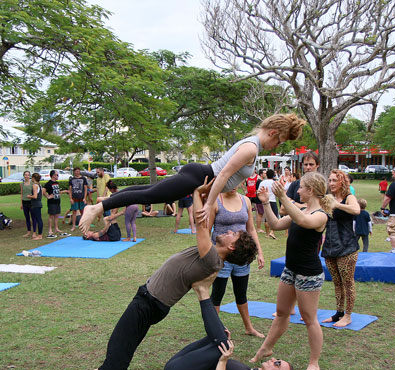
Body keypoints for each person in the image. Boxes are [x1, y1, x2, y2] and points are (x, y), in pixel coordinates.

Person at [71, 179, 258, 370]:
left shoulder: (211, 258)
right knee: (126, 338)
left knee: (121, 340)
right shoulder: (212, 254)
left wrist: (197, 191)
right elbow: (204, 222)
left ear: (231, 247)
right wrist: (203, 195)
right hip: (151, 299)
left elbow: (201, 226)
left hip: (151, 301)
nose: (228, 231)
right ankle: (109, 366)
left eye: (233, 234)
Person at [78, 113, 306, 233]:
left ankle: (103, 203)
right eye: (280, 140)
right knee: (150, 196)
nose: (277, 146)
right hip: (199, 177)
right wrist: (209, 205)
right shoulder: (251, 147)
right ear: (273, 132)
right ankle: (97, 208)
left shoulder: (253, 145)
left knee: (149, 190)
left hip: (198, 176)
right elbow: (224, 175)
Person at [163, 277, 294, 370]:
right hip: (178, 368)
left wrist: (222, 361)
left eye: (277, 363)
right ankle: (202, 291)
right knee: (223, 339)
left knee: (223, 343)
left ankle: (203, 292)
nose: (273, 359)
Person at [251, 172, 330, 370]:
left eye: (301, 187)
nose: (298, 190)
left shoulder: (320, 215)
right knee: (282, 311)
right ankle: (266, 348)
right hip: (291, 269)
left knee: (309, 318)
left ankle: (314, 363)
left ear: (311, 190)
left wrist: (283, 198)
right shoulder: (301, 208)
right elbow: (276, 224)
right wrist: (267, 203)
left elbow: (304, 221)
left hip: (308, 274)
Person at [208, 186, 265, 338]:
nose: (233, 185)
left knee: (241, 293)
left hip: (241, 256)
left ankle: (249, 327)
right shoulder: (216, 201)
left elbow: (251, 229)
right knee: (217, 294)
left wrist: (259, 251)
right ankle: (214, 331)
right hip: (222, 256)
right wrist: (208, 255)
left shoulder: (245, 200)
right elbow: (207, 231)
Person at [321, 170, 361, 328]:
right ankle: (338, 313)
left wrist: (337, 205)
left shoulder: (348, 197)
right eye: (329, 180)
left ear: (342, 182)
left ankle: (348, 315)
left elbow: (356, 210)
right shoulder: (327, 199)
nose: (331, 183)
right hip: (330, 246)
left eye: (334, 181)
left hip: (347, 247)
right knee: (336, 283)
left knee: (348, 282)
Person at [43, 170, 66, 238]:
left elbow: (57, 191)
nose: (58, 176)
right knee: (51, 216)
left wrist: (62, 192)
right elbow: (43, 191)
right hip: (51, 202)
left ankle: (56, 228)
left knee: (57, 215)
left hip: (57, 201)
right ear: (53, 175)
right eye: (57, 175)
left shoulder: (56, 183)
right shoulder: (49, 183)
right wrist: (48, 196)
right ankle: (50, 229)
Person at [65, 167, 88, 233]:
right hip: (74, 197)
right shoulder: (72, 179)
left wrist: (85, 198)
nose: (77, 172)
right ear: (74, 172)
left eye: (78, 171)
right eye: (76, 171)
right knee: (74, 212)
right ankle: (74, 226)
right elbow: (70, 190)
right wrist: (70, 198)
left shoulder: (83, 179)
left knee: (82, 212)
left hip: (81, 197)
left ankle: (83, 225)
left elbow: (85, 188)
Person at [258, 168, 278, 239]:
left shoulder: (262, 182)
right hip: (273, 201)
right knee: (274, 217)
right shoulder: (275, 182)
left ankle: (267, 233)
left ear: (266, 175)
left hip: (266, 201)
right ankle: (272, 232)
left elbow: (259, 191)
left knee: (267, 217)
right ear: (273, 175)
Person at [27, 173, 44, 240]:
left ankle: (40, 235)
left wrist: (29, 196)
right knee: (38, 219)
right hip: (38, 203)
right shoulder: (40, 185)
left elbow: (35, 196)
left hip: (35, 204)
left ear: (34, 178)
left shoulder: (35, 185)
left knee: (38, 219)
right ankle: (38, 234)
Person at [20, 170, 33, 238]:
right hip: (25, 202)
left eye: (28, 175)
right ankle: (28, 231)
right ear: (24, 176)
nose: (27, 176)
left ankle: (34, 231)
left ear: (29, 176)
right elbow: (22, 193)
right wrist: (21, 203)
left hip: (31, 202)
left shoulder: (32, 184)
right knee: (27, 217)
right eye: (25, 175)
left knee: (33, 217)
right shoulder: (22, 184)